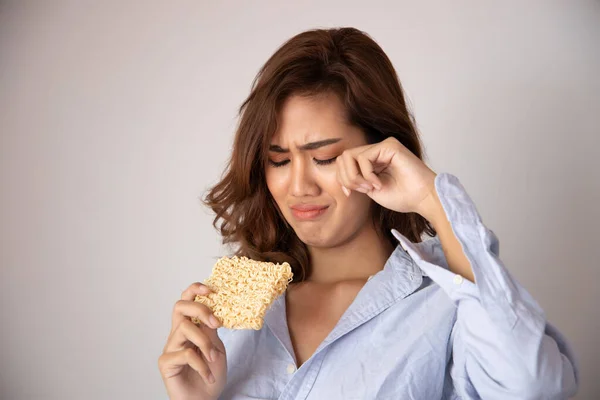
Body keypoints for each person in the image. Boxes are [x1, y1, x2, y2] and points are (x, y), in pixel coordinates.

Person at [158, 27, 579, 400]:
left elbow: (533, 387)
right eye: (279, 160)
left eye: (323, 156)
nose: (299, 186)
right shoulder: (229, 310)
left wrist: (432, 198)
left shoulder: (446, 304)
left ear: (380, 150)